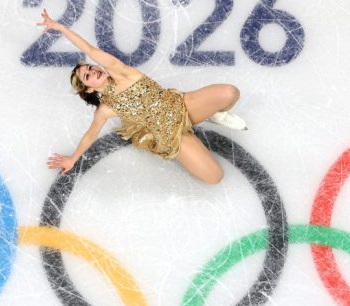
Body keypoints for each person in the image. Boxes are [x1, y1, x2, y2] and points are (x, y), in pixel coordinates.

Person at [37, 9, 246, 184]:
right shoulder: (106, 110)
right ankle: (197, 128)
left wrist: (60, 27)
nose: (93, 71)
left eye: (91, 68)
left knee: (231, 93)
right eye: (87, 76)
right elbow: (90, 135)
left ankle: (211, 114)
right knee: (215, 177)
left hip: (181, 106)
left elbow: (90, 50)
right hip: (170, 136)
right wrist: (72, 159)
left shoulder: (120, 72)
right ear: (89, 89)